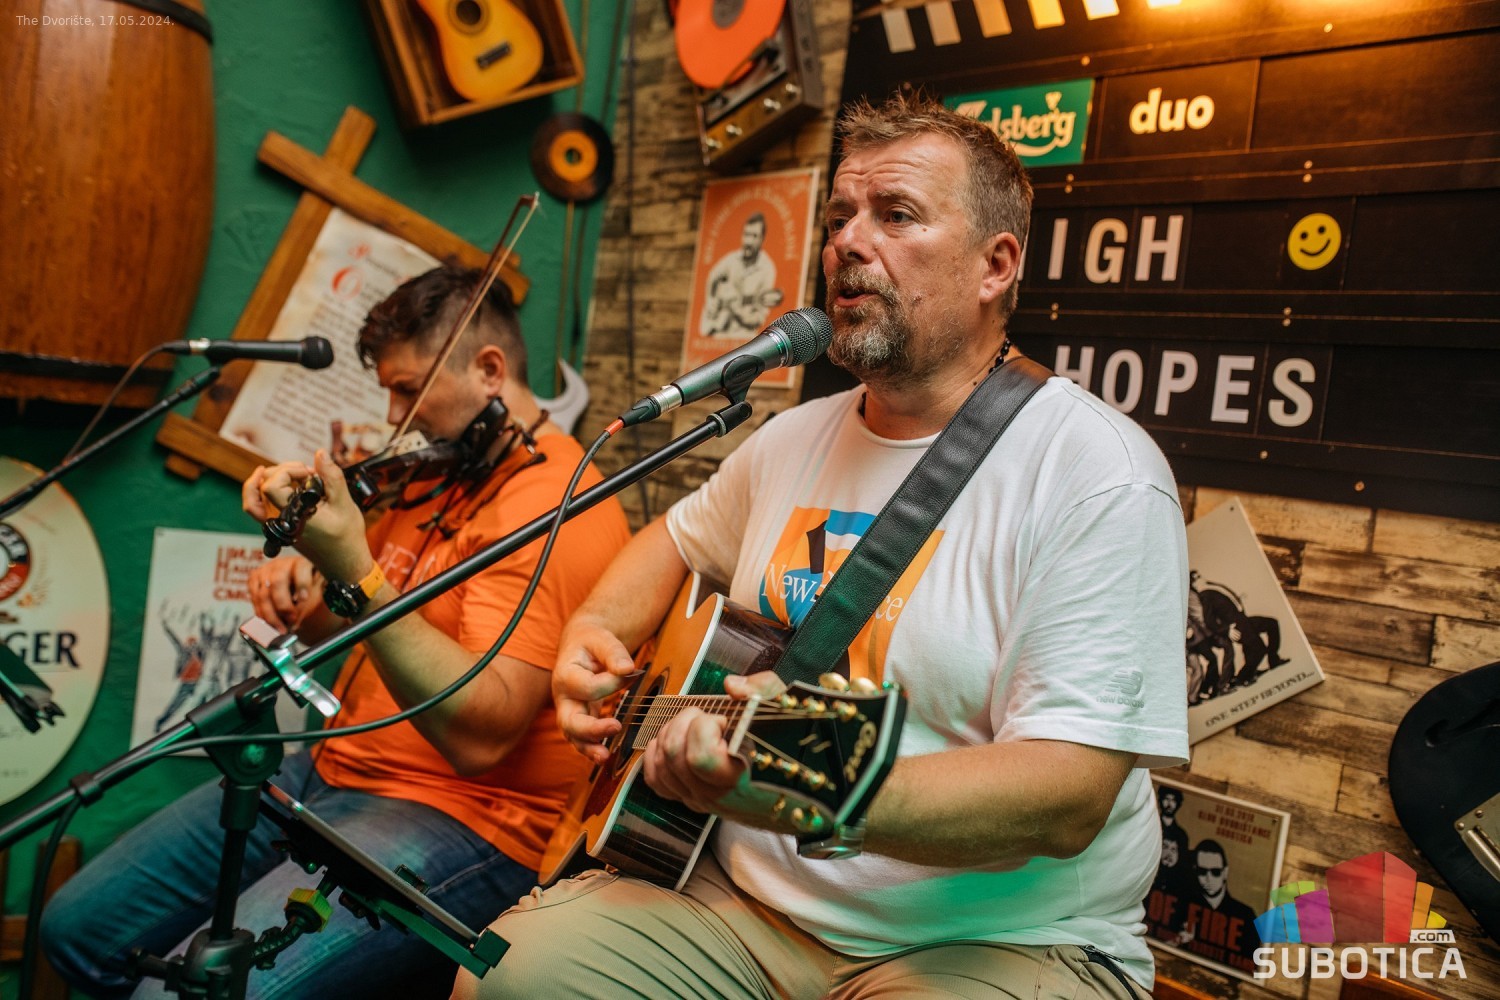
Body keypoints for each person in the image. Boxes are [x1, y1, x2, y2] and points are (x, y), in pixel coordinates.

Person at [452, 93, 1189, 1000]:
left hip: (1001, 939)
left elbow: (1067, 794)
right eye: (840, 216)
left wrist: (806, 782)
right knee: (505, 977)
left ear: (996, 265)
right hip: (742, 907)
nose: (848, 242)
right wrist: (593, 635)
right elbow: (674, 539)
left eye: (897, 215)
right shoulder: (789, 438)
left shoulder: (1098, 472)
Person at [40, 266, 631, 999]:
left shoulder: (558, 506)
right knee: (76, 928)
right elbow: (354, 616)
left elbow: (479, 734)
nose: (395, 417)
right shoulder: (440, 472)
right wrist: (308, 582)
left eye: (408, 389)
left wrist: (353, 565)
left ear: (488, 371)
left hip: (461, 816)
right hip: (326, 771)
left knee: (174, 996)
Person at [1176, 839, 1262, 972]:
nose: (1208, 878)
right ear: (1195, 870)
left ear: (1225, 872)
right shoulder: (1182, 905)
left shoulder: (1245, 915)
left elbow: (1253, 967)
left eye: (1215, 872)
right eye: (1202, 871)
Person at [699, 212, 784, 337]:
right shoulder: (731, 259)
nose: (748, 241)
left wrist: (736, 310)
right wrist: (711, 300)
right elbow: (713, 276)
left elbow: (758, 320)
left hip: (742, 336)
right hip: (718, 330)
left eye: (754, 236)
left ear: (762, 239)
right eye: (746, 234)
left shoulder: (767, 269)